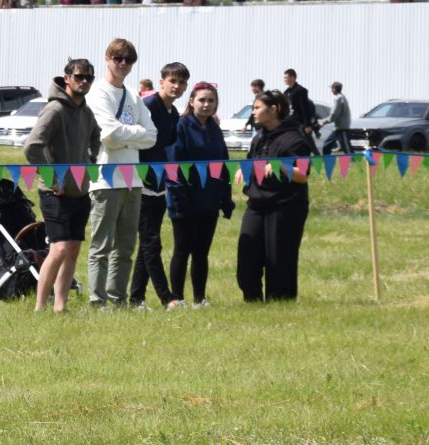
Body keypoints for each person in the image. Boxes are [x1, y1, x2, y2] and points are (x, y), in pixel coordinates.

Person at [85, 38, 156, 308]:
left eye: (128, 60)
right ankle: (97, 299)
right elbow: (109, 135)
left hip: (132, 180)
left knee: (126, 247)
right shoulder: (98, 93)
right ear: (107, 59)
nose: (123, 64)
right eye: (118, 58)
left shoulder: (134, 96)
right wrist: (133, 135)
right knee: (101, 246)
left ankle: (118, 299)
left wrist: (128, 136)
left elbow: (152, 136)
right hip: (104, 179)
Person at [24, 59, 100, 312]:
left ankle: (60, 306)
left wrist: (90, 160)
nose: (85, 82)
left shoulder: (86, 112)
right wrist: (51, 178)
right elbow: (32, 145)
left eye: (89, 77)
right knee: (59, 249)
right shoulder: (55, 110)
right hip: (55, 193)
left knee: (73, 249)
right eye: (79, 76)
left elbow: (96, 136)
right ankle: (39, 307)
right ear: (66, 78)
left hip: (80, 190)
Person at [237, 90, 314, 302]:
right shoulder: (259, 137)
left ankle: (280, 302)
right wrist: (244, 169)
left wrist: (281, 166)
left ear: (274, 110)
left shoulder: (295, 139)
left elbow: (302, 176)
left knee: (279, 257)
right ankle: (252, 301)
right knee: (247, 256)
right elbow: (253, 161)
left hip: (285, 206)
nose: (253, 112)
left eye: (257, 108)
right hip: (257, 204)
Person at [128, 62, 189, 308]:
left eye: (182, 82)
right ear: (161, 81)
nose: (177, 86)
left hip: (158, 182)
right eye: (172, 81)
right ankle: (167, 298)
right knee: (152, 242)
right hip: (140, 181)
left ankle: (136, 298)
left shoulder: (173, 112)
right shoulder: (149, 106)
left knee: (147, 243)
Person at [167, 81, 232, 306]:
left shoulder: (214, 129)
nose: (206, 104)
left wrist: (226, 197)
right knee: (182, 250)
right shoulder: (181, 126)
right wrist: (179, 199)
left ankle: (199, 299)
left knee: (201, 252)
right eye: (202, 100)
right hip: (184, 201)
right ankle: (177, 298)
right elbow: (173, 167)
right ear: (192, 101)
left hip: (209, 200)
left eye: (211, 100)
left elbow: (224, 165)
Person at [281, 69, 316, 143]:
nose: (284, 80)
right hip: (290, 122)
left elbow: (305, 108)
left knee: (308, 143)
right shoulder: (286, 92)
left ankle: (317, 155)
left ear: (293, 77)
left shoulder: (300, 90)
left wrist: (307, 125)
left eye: (286, 78)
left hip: (300, 123)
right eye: (284, 78)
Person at [322, 82, 353, 155]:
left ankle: (355, 161)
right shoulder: (342, 97)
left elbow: (334, 115)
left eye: (332, 88)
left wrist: (323, 122)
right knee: (326, 146)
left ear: (335, 89)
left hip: (342, 129)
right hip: (338, 129)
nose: (331, 90)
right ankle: (327, 160)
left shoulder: (338, 98)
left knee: (347, 150)